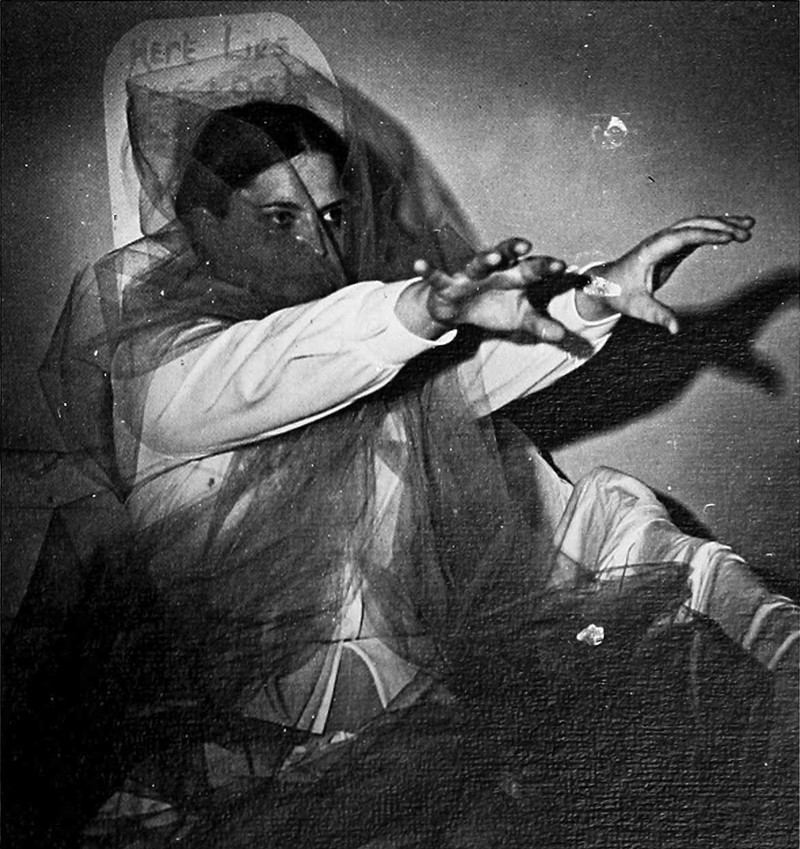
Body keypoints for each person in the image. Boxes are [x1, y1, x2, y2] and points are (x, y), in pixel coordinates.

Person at [23, 37, 797, 849]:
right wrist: (415, 312)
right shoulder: (167, 365)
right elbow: (273, 368)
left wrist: (599, 294)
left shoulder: (375, 350)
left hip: (418, 732)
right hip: (250, 760)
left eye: (332, 217)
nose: (319, 248)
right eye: (280, 218)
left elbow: (474, 365)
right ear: (202, 222)